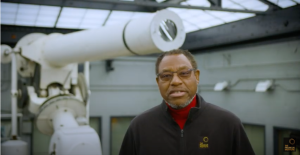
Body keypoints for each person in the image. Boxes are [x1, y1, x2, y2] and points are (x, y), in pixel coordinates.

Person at [119, 49, 255, 155]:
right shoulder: (139, 127)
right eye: (166, 76)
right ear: (158, 82)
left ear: (196, 76)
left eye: (184, 73)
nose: (175, 81)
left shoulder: (228, 124)